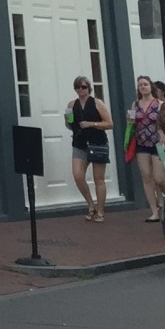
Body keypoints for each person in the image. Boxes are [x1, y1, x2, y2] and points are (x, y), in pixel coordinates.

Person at [66, 74, 113, 221]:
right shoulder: (71, 105)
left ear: (89, 88)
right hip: (80, 143)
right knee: (78, 175)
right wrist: (68, 121)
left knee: (98, 178)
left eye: (84, 86)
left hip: (97, 142)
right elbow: (69, 124)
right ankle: (90, 204)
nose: (81, 89)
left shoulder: (97, 103)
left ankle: (100, 211)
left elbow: (110, 124)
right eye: (78, 87)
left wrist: (92, 124)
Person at [128, 75, 165, 221]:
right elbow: (131, 123)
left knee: (159, 178)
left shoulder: (160, 104)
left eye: (145, 84)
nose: (143, 87)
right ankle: (154, 211)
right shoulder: (135, 104)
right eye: (140, 85)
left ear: (151, 86)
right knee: (147, 178)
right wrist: (130, 121)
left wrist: (163, 134)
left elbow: (164, 123)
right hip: (141, 143)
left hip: (157, 143)